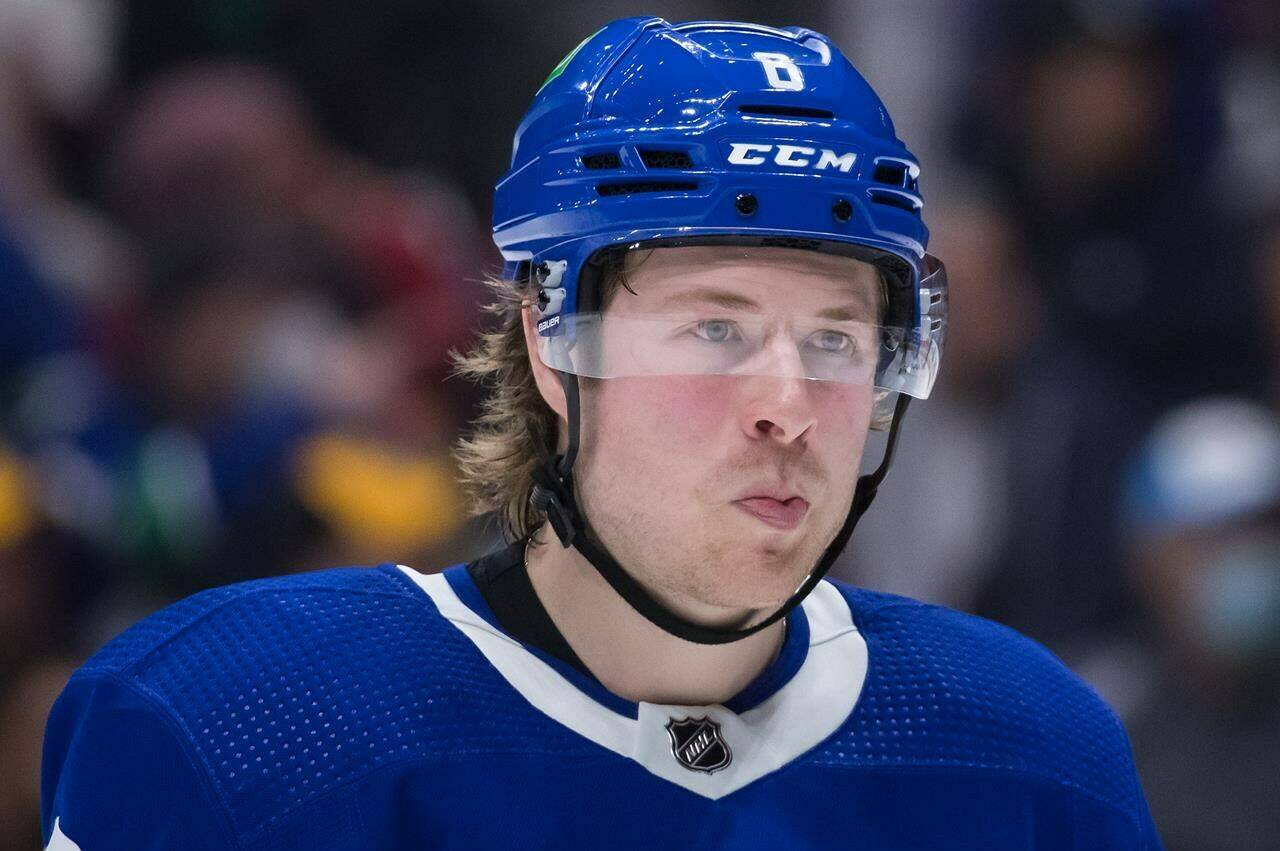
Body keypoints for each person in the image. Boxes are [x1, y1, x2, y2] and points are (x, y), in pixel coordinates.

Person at [41, 17, 1161, 849]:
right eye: (715, 325)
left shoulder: (1031, 754)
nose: (787, 402)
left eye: (833, 337)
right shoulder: (234, 724)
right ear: (549, 338)